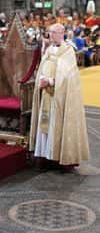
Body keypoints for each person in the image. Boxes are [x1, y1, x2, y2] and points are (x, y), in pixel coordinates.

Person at [29, 23, 90, 173]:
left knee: (56, 124)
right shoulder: (49, 50)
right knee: (45, 124)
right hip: (46, 94)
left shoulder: (68, 50)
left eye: (53, 32)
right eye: (50, 32)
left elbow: (67, 74)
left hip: (60, 95)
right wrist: (42, 79)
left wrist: (50, 81)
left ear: (61, 33)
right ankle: (44, 156)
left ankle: (57, 158)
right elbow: (43, 66)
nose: (50, 35)